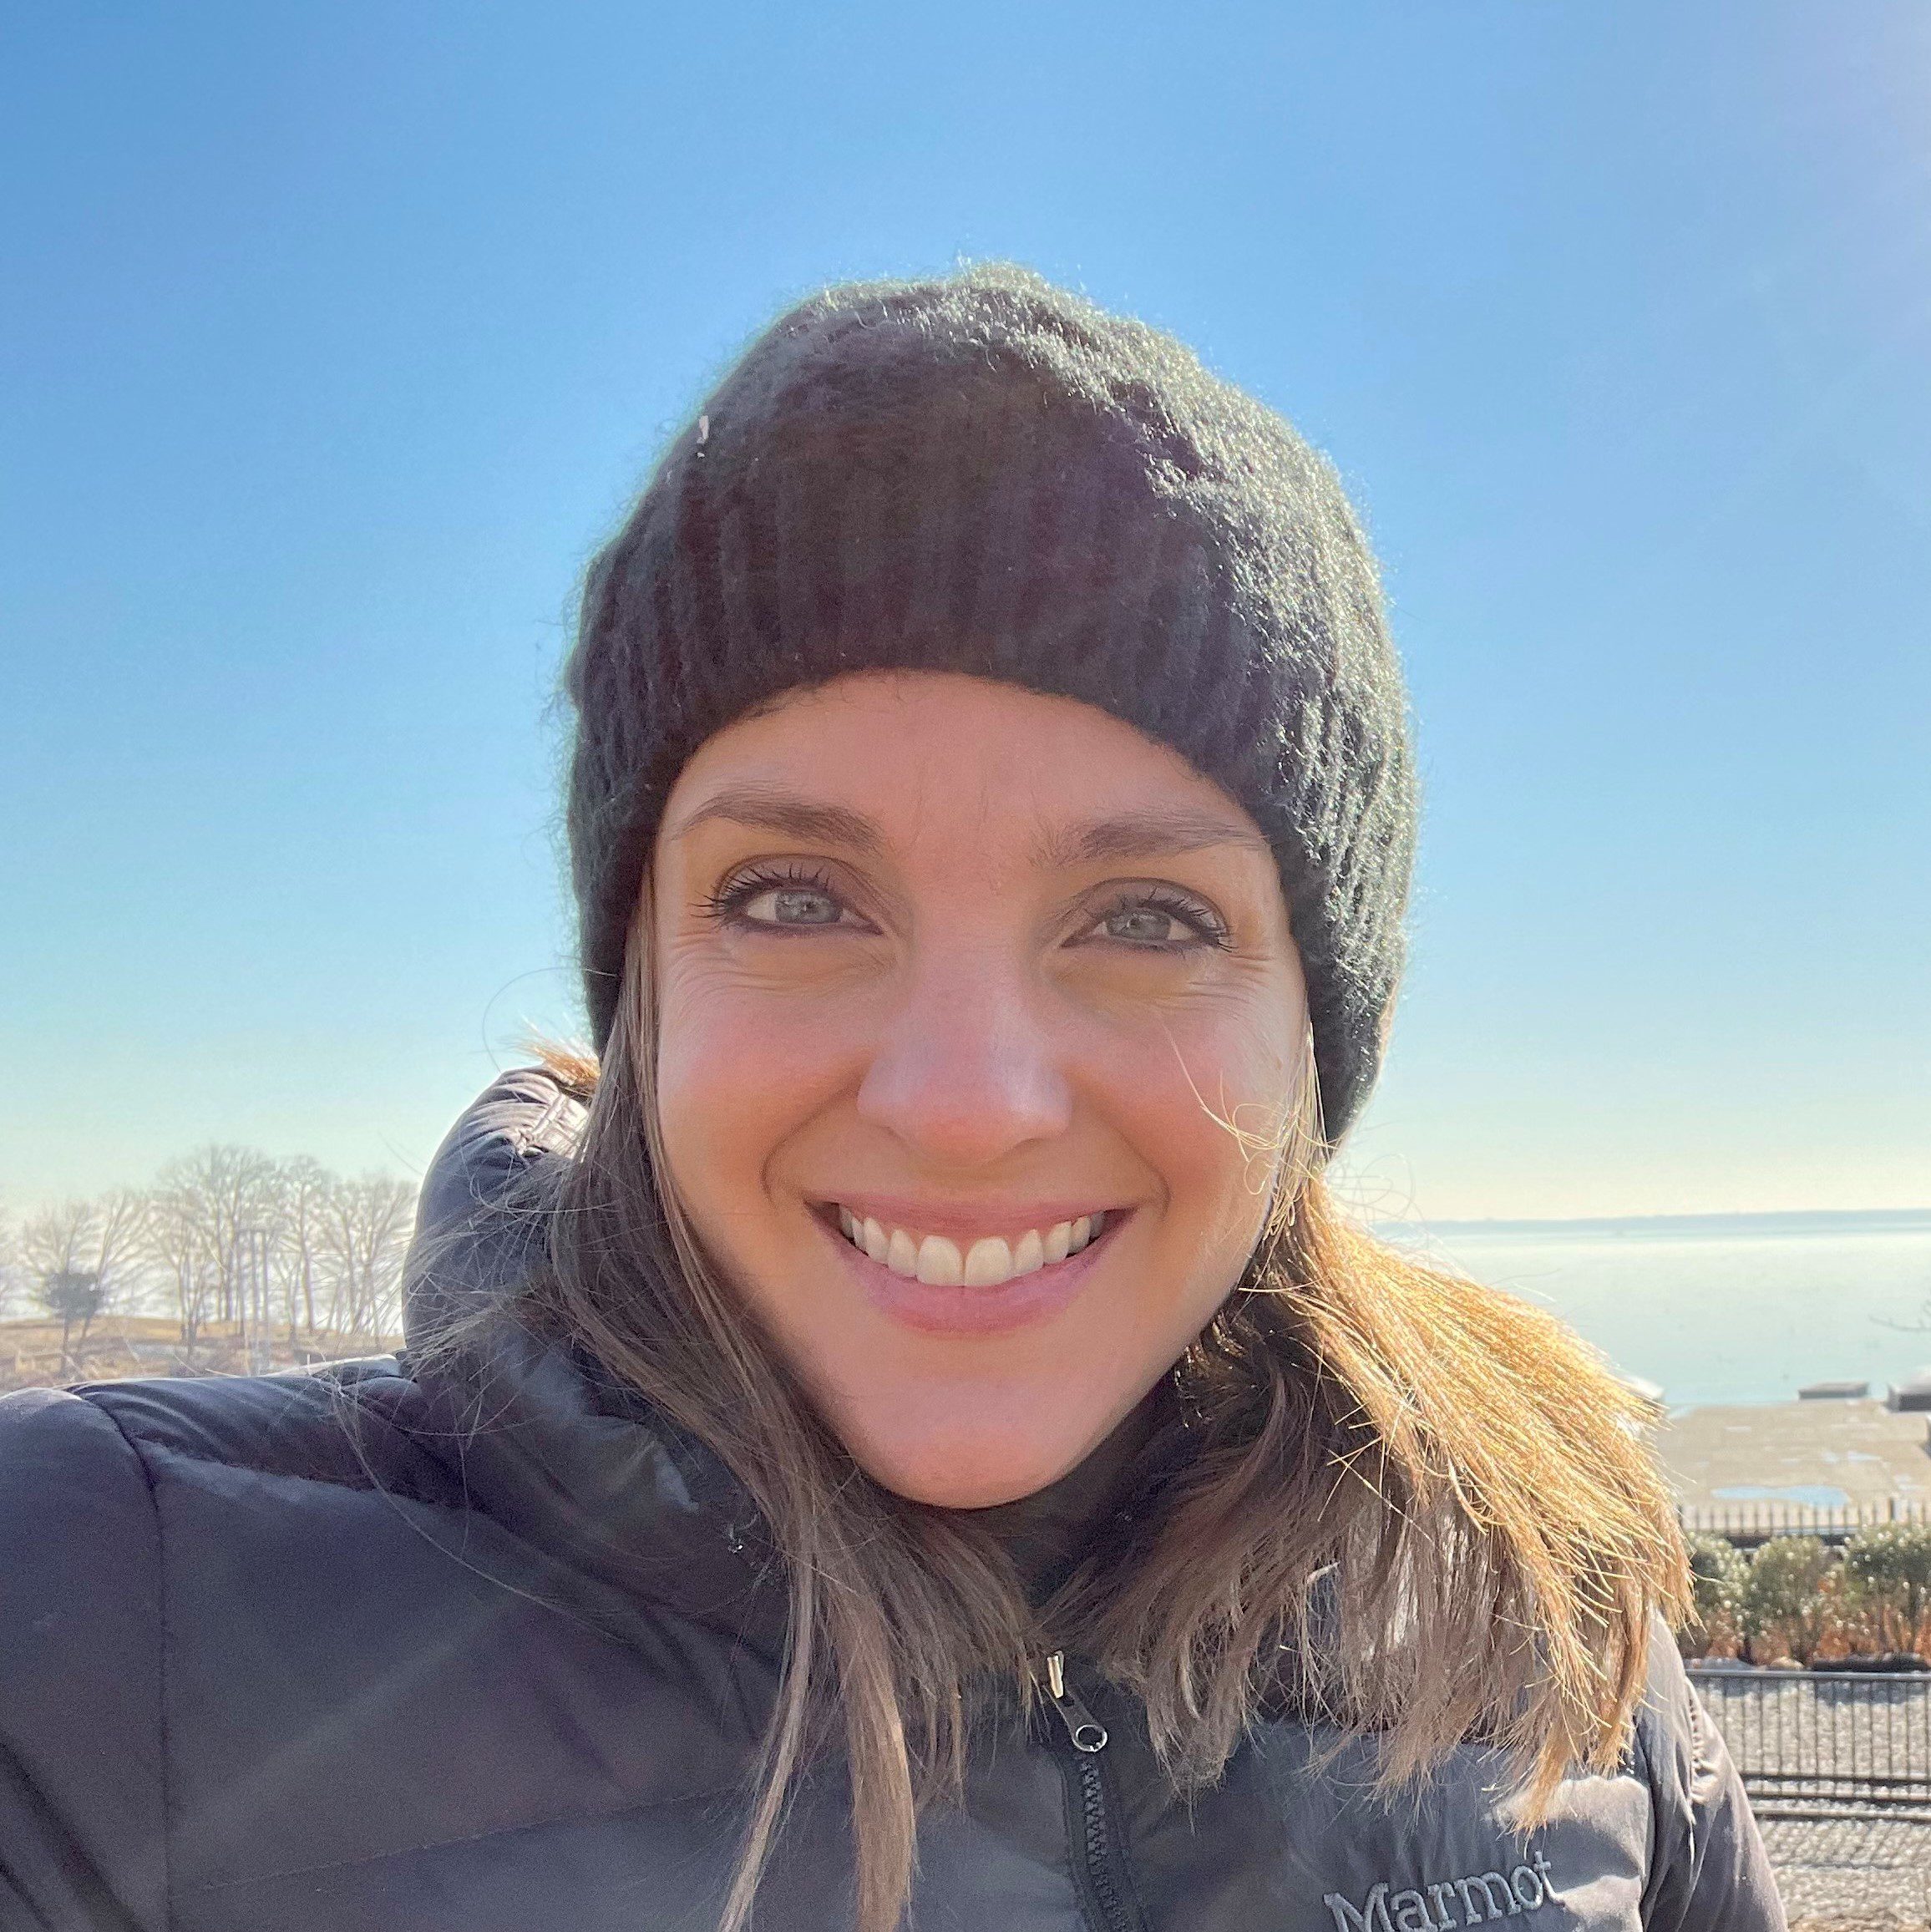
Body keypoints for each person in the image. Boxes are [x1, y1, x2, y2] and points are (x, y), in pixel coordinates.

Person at [0, 266, 1782, 1932]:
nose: (963, 1103)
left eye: (1146, 918)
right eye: (794, 897)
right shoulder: (98, 1618)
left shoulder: (1529, 1609)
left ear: (1313, 1039)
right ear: (642, 988)